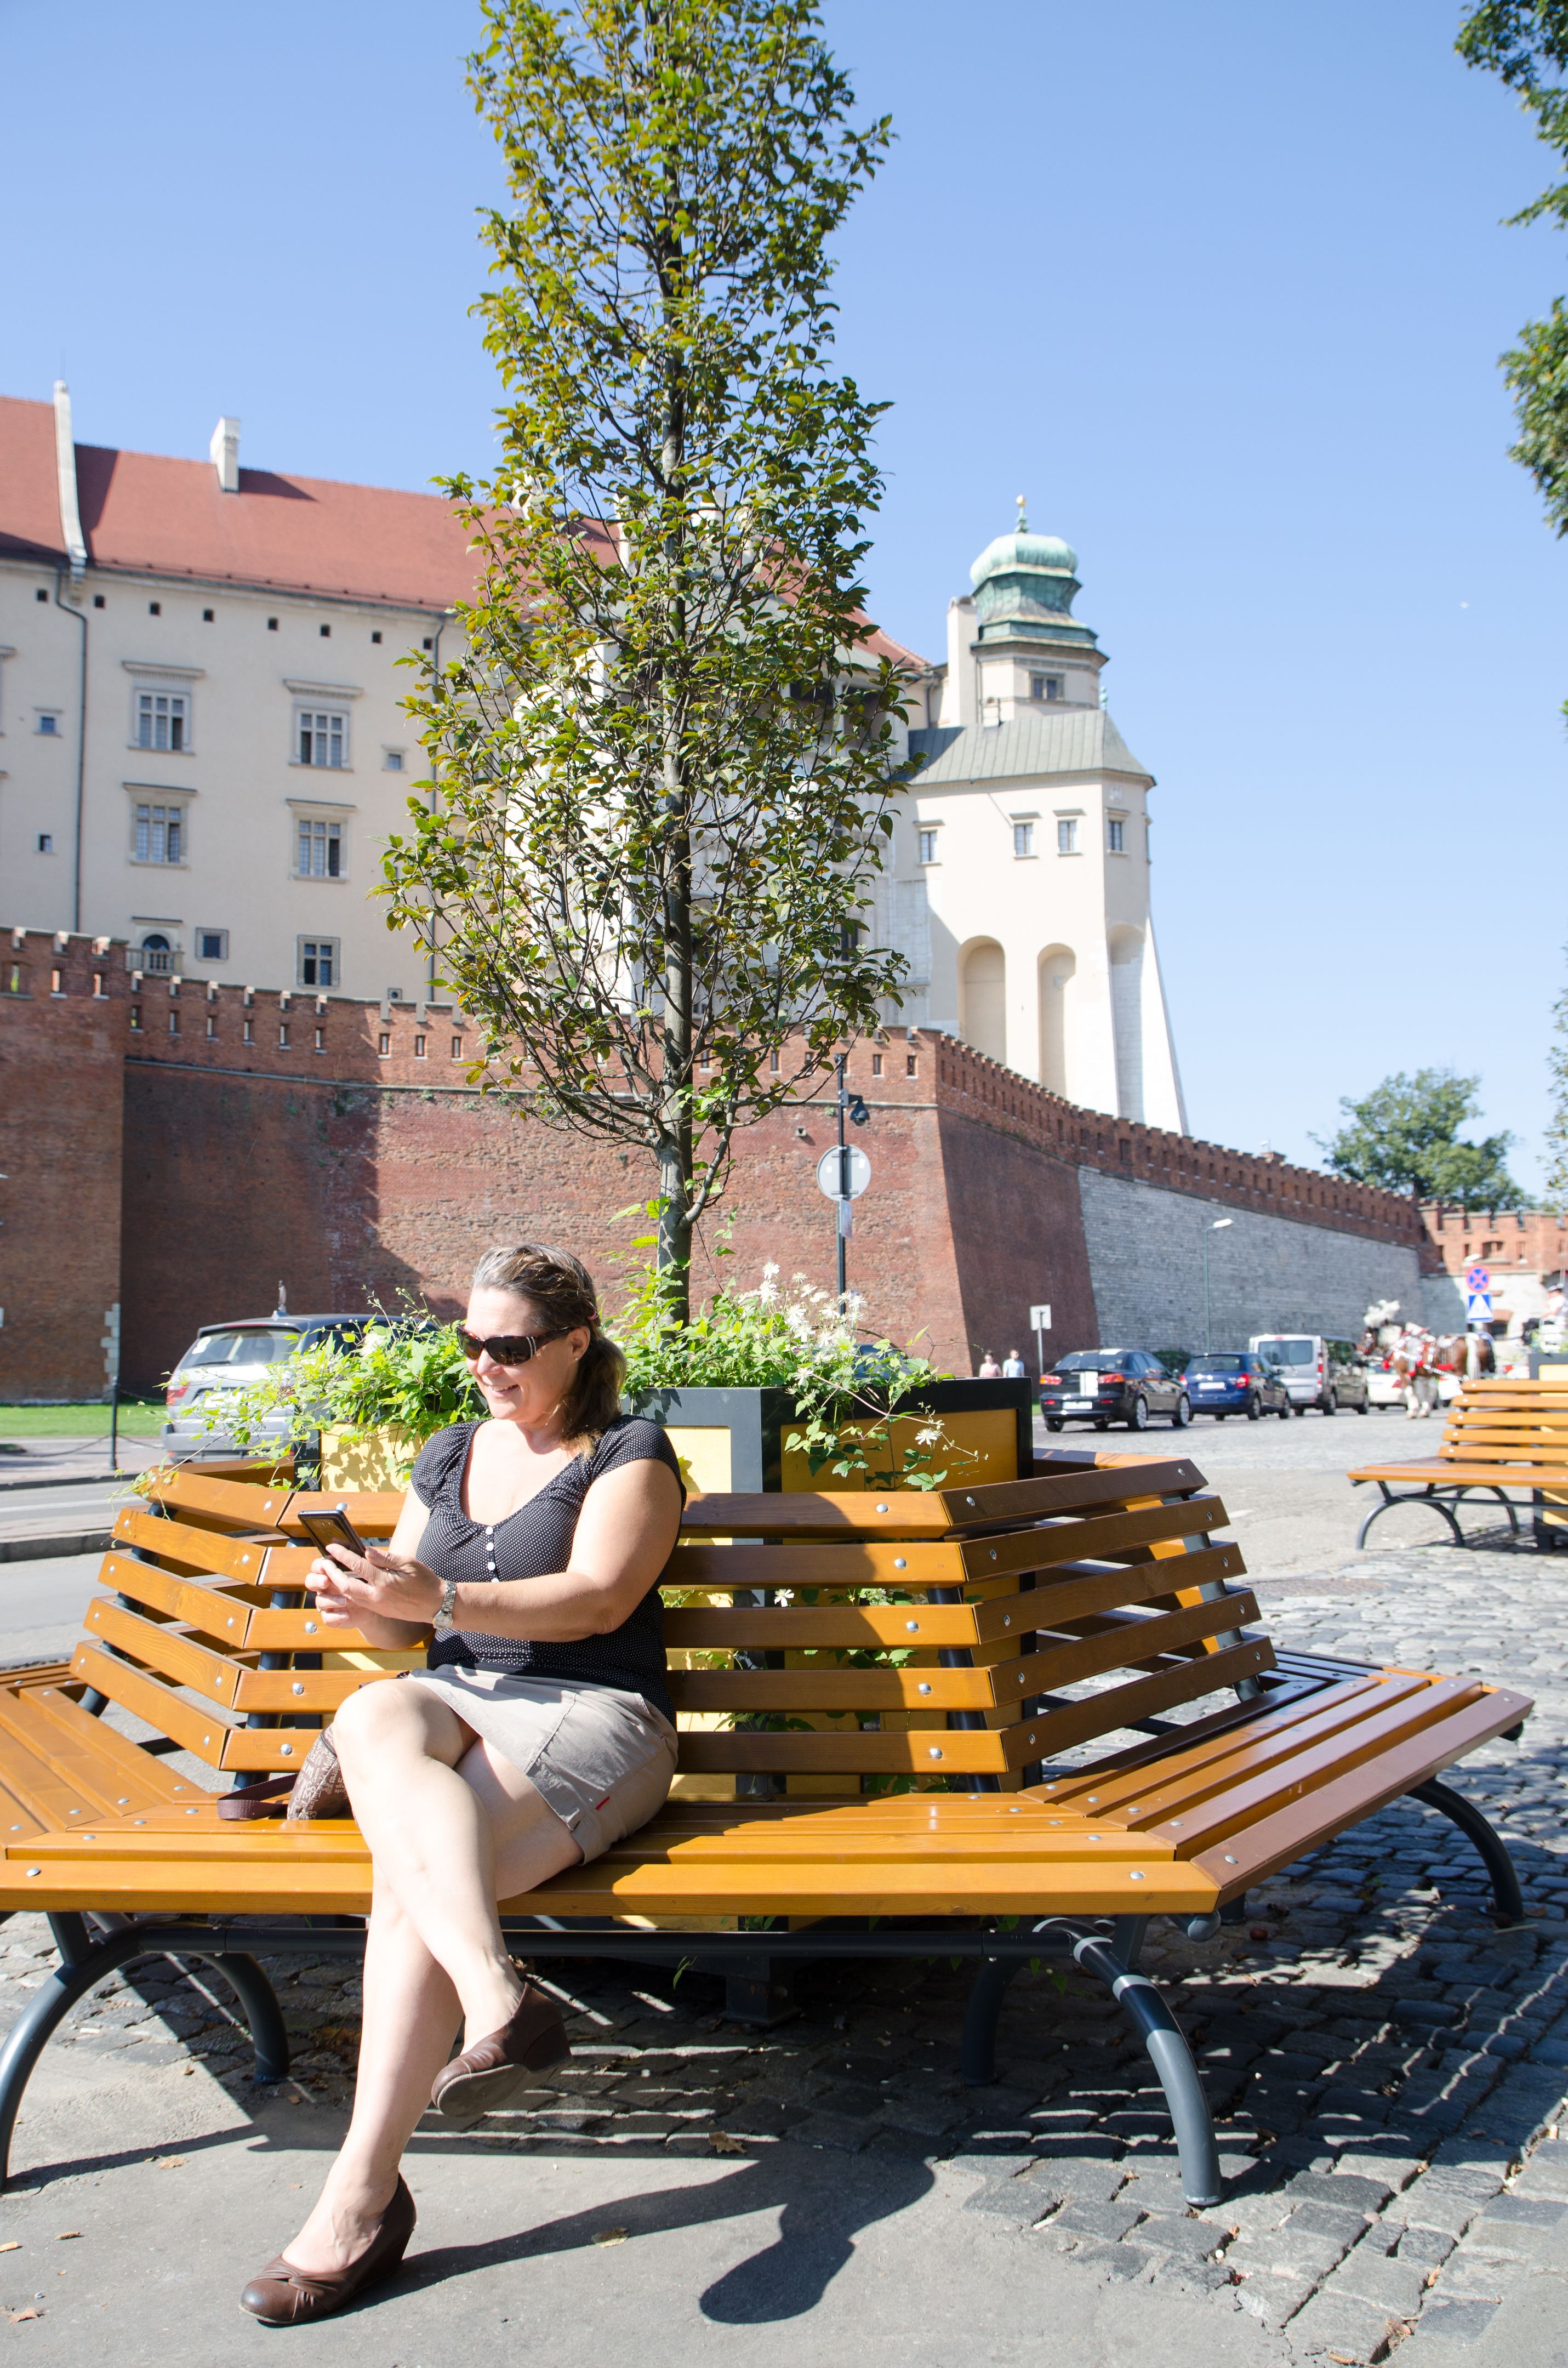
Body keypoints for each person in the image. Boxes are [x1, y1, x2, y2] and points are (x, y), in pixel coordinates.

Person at [239, 1243, 684, 2326]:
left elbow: (595, 1604)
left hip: (594, 1717)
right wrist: (371, 1603)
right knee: (373, 1704)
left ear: (576, 1344)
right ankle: (498, 2000)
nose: (486, 1363)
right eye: (472, 1343)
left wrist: (438, 1601)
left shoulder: (628, 1451)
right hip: (459, 1708)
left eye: (512, 1346)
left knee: (411, 1886)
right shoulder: (447, 1455)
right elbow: (411, 1621)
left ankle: (360, 2200)